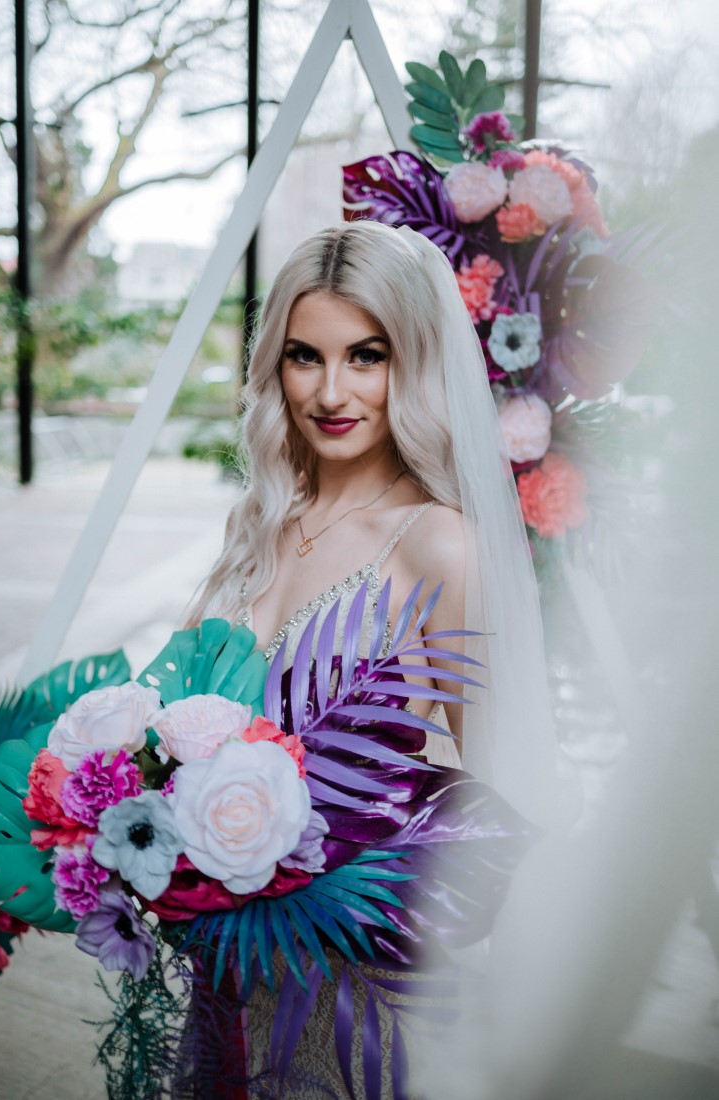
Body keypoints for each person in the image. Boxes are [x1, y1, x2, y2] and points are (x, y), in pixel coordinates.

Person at [185, 219, 557, 1095]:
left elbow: (501, 793)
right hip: (218, 961)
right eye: (303, 355)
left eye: (367, 354)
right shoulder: (257, 524)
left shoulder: (437, 545)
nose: (330, 389)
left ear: (415, 363)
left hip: (348, 980)